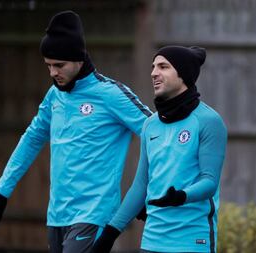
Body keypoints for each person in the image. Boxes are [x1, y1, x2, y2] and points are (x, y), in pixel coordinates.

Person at [0, 11, 151, 253]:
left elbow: (158, 134)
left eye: (59, 65)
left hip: (94, 215)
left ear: (79, 59)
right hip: (57, 215)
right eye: (49, 65)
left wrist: (147, 190)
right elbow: (31, 140)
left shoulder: (111, 94)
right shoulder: (55, 96)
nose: (53, 72)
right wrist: (2, 191)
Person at [92, 46, 227, 253]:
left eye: (163, 66)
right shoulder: (150, 125)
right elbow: (140, 185)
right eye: (153, 67)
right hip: (151, 240)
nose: (154, 72)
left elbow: (209, 182)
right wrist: (110, 233)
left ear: (183, 75)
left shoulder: (208, 121)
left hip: (192, 241)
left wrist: (180, 196)